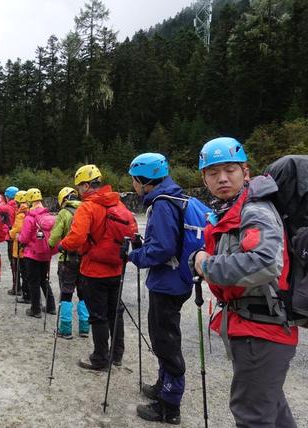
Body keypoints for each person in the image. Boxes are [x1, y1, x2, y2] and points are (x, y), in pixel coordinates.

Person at [191, 137, 298, 428]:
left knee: (252, 416)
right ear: (204, 179)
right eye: (212, 173)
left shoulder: (255, 209)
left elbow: (265, 263)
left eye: (230, 169)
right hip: (257, 326)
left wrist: (204, 264)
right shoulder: (233, 208)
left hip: (261, 329)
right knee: (272, 411)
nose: (222, 178)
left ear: (246, 172)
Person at [127, 153, 192, 424]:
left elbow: (163, 248)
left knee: (165, 340)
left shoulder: (163, 204)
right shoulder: (170, 197)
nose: (132, 185)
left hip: (168, 282)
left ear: (144, 179)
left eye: (133, 180)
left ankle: (169, 405)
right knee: (162, 337)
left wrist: (135, 256)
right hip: (173, 280)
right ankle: (162, 385)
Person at [60, 165, 137, 371]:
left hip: (94, 270)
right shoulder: (118, 204)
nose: (78, 191)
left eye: (79, 187)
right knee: (115, 313)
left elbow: (76, 238)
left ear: (86, 185)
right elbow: (133, 231)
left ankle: (100, 358)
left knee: (99, 315)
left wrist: (63, 245)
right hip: (116, 268)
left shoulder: (88, 207)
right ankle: (117, 354)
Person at [48, 186, 89, 339]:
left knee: (66, 294)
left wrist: (51, 245)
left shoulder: (64, 213)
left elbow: (55, 236)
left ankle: (65, 329)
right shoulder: (86, 210)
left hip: (67, 258)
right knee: (83, 294)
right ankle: (85, 327)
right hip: (84, 258)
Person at [18, 188, 57, 317]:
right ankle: (51, 306)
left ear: (29, 201)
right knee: (43, 280)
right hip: (46, 254)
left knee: (33, 281)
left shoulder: (30, 218)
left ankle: (36, 309)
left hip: (33, 254)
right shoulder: (48, 215)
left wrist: (19, 239)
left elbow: (24, 238)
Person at [9, 190, 30, 299]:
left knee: (22, 271)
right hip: (27, 248)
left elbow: (16, 231)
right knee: (26, 272)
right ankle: (27, 293)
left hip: (19, 248)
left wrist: (10, 233)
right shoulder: (29, 211)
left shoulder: (20, 215)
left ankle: (25, 293)